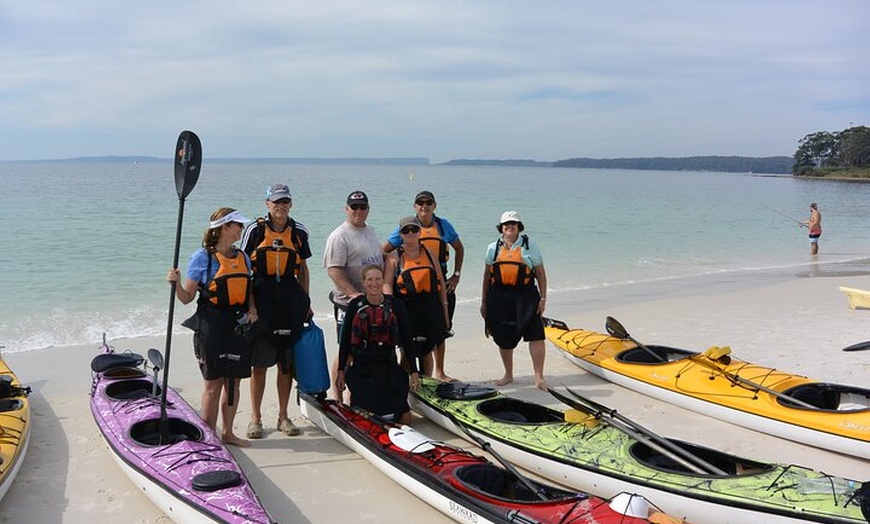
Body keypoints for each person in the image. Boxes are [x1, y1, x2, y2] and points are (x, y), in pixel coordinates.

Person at [167, 207, 255, 447]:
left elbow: (248, 289)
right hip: (211, 326)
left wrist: (252, 310)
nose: (241, 228)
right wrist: (175, 284)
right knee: (213, 384)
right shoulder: (202, 258)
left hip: (236, 326)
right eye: (237, 224)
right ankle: (209, 439)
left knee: (234, 382)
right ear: (225, 228)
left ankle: (228, 433)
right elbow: (186, 298)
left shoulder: (243, 257)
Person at [240, 184, 312, 439]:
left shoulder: (299, 231)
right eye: (276, 202)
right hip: (262, 297)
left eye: (285, 202)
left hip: (290, 301)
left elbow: (303, 270)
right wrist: (250, 306)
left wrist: (306, 303)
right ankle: (255, 419)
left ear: (290, 204)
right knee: (259, 365)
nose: (280, 206)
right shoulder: (255, 230)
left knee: (285, 364)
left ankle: (283, 416)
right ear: (267, 204)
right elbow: (243, 268)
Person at [383, 190, 464, 381]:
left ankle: (439, 372)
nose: (424, 206)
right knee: (407, 343)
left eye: (428, 203)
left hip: (438, 284)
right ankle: (407, 380)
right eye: (420, 203)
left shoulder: (443, 227)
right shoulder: (404, 228)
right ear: (415, 206)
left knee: (439, 333)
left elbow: (459, 248)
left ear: (434, 205)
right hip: (408, 292)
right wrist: (389, 276)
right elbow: (384, 251)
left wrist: (456, 276)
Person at [334, 265, 420, 424]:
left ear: (383, 281)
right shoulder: (355, 306)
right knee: (365, 415)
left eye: (378, 279)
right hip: (362, 369)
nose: (374, 283)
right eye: (370, 280)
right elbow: (345, 340)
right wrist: (341, 371)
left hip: (388, 367)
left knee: (406, 418)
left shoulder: (396, 305)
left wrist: (414, 371)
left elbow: (407, 340)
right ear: (364, 283)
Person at [323, 190, 384, 399]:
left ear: (368, 209)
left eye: (362, 207)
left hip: (370, 303)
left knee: (364, 350)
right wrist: (354, 295)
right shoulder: (339, 236)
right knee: (345, 351)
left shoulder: (370, 231)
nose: (358, 211)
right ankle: (338, 397)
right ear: (346, 208)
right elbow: (334, 270)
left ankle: (357, 395)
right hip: (347, 305)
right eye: (354, 207)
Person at [480, 211, 548, 390]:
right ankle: (508, 374)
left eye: (513, 224)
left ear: (519, 226)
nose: (509, 227)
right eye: (506, 224)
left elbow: (540, 272)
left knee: (536, 334)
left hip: (526, 295)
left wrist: (543, 298)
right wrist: (484, 301)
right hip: (499, 296)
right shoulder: (492, 248)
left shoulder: (529, 245)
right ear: (501, 228)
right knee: (503, 337)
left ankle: (539, 377)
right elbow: (487, 275)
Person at [384, 216, 450, 376]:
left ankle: (426, 384)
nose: (410, 233)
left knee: (427, 350)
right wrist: (388, 310)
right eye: (406, 230)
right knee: (407, 351)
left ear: (419, 231)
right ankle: (406, 385)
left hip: (430, 308)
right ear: (401, 234)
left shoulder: (430, 254)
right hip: (406, 309)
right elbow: (387, 285)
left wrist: (445, 312)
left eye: (414, 229)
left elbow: (440, 284)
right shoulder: (394, 257)